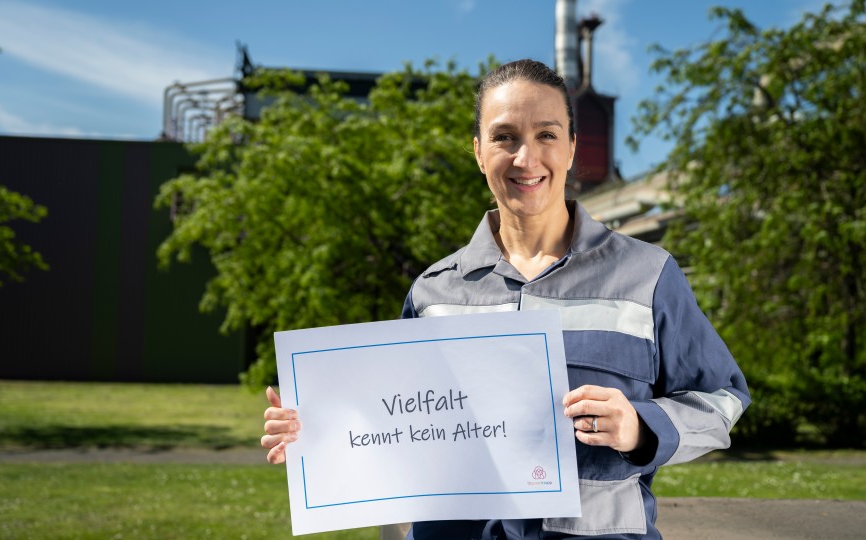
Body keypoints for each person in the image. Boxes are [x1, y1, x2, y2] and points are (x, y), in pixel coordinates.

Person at [262, 59, 750, 540]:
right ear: (478, 152)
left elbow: (723, 398)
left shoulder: (648, 275)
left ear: (573, 148)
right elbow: (399, 427)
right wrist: (318, 432)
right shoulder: (433, 292)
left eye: (546, 135)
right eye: (504, 137)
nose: (526, 157)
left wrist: (641, 427)